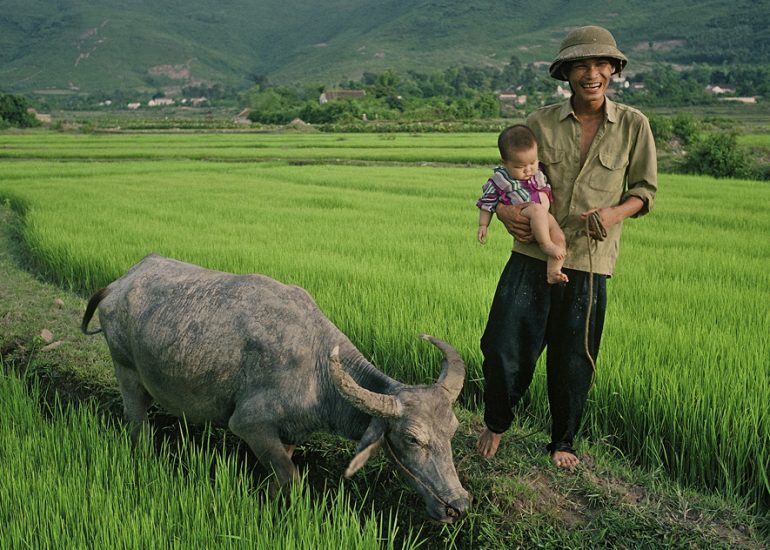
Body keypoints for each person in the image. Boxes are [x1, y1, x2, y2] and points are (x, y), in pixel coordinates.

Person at [476, 25, 657, 468]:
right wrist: (503, 215)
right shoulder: (538, 122)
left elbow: (645, 191)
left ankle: (563, 443)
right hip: (532, 256)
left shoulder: (634, 125)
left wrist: (614, 214)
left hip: (591, 261)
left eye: (600, 64)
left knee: (574, 357)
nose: (591, 73)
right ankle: (496, 422)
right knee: (503, 344)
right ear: (567, 73)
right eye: (581, 65)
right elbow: (506, 180)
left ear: (613, 70)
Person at [476, 125, 569, 285]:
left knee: (559, 238)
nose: (528, 170)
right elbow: (487, 203)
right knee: (537, 209)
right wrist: (483, 225)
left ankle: (553, 272)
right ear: (504, 163)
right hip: (526, 212)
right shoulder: (500, 179)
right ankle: (545, 244)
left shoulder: (538, 172)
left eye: (532, 163)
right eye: (520, 167)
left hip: (543, 216)